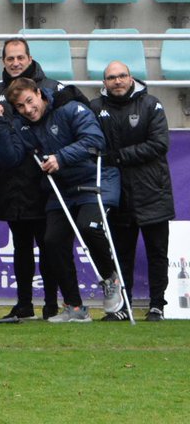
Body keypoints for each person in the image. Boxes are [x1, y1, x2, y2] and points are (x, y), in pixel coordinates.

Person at [0, 38, 87, 320]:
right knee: (20, 248)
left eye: (20, 57)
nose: (15, 63)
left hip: (46, 182)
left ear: (29, 57)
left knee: (50, 246)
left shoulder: (52, 88)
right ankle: (23, 304)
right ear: (4, 61)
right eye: (10, 58)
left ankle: (50, 304)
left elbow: (77, 114)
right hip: (11, 184)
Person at [0, 78, 123, 323]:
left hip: (96, 179)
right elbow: (10, 159)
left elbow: (95, 141)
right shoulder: (21, 125)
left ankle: (110, 278)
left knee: (88, 227)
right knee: (51, 242)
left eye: (30, 101)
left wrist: (61, 157)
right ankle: (75, 307)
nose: (28, 110)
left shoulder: (71, 108)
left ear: (39, 93)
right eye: (20, 106)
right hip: (62, 189)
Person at [91, 61, 174, 322]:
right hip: (119, 194)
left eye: (122, 76)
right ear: (104, 82)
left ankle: (157, 305)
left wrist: (119, 156)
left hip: (153, 192)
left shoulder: (151, 104)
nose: (117, 81)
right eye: (111, 77)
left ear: (131, 78)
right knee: (120, 255)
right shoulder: (95, 108)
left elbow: (159, 144)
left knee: (157, 253)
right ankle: (122, 306)